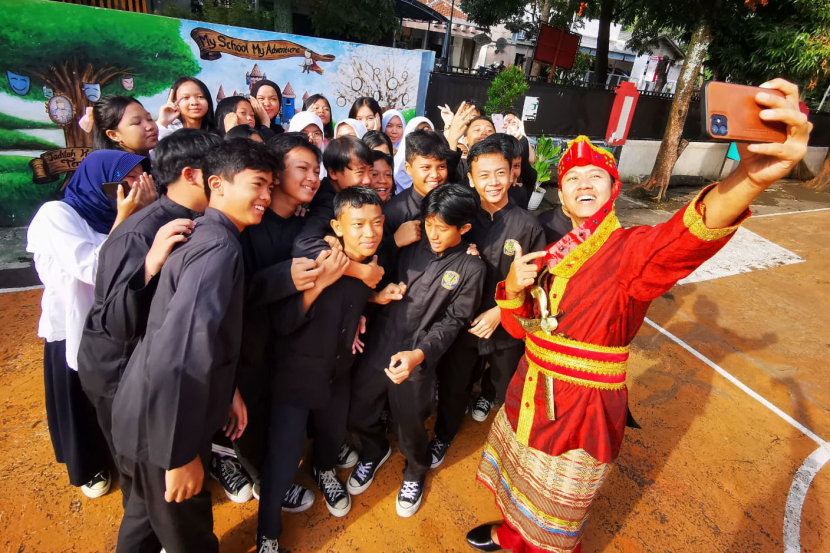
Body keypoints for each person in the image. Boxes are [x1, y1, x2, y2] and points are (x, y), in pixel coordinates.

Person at [468, 79, 811, 553]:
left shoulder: (630, 252)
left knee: (558, 510)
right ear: (561, 199)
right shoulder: (554, 252)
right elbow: (519, 329)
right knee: (523, 484)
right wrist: (513, 289)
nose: (583, 184)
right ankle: (511, 533)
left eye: (595, 177)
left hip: (580, 410)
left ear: (614, 189)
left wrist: (748, 179)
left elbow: (684, 237)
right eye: (572, 179)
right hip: (531, 387)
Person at [110, 139, 276, 552]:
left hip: (146, 413)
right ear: (217, 184)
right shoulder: (218, 248)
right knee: (189, 537)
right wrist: (181, 455)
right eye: (257, 184)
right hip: (163, 431)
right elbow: (180, 354)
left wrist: (227, 390)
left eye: (271, 187)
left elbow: (203, 340)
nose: (266, 196)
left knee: (144, 525)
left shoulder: (208, 234)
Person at [78, 130, 222, 510]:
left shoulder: (195, 219)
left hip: (148, 369)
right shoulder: (140, 234)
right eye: (217, 172)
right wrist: (150, 266)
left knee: (150, 494)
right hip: (121, 374)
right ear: (192, 175)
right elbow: (112, 322)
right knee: (149, 484)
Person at [257, 187, 405, 551]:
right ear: (337, 227)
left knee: (332, 431)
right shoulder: (318, 259)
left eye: (376, 223)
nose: (369, 233)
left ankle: (324, 470)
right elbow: (279, 320)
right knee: (285, 454)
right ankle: (267, 532)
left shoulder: (369, 266)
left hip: (339, 369)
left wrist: (371, 301)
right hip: (296, 376)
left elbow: (353, 300)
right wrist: (318, 286)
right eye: (358, 225)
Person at [347, 184, 486, 518]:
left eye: (442, 228)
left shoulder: (471, 268)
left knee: (409, 421)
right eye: (429, 225)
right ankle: (374, 450)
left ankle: (415, 470)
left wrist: (419, 355)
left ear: (464, 228)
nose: (433, 234)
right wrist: (376, 300)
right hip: (381, 340)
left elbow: (454, 321)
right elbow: (378, 278)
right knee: (359, 406)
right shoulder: (410, 245)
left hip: (418, 355)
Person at [27, 150, 155, 500]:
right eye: (124, 180)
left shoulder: (122, 216)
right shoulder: (56, 215)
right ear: (98, 181)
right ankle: (88, 465)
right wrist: (127, 218)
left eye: (140, 179)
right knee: (77, 398)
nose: (133, 188)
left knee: (115, 397)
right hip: (74, 323)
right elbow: (94, 268)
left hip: (115, 324)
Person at [431, 136, 545, 468]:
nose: (492, 182)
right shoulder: (462, 220)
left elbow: (535, 280)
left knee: (509, 384)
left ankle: (511, 445)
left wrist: (500, 309)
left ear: (513, 173)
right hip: (464, 321)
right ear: (470, 177)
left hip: (506, 324)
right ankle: (444, 434)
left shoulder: (528, 225)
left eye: (500, 173)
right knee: (455, 384)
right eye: (483, 175)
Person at [234, 133, 328, 514]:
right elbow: (234, 291)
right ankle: (263, 479)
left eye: (316, 170)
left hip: (291, 343)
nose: (312, 177)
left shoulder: (303, 222)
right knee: (251, 419)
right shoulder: (247, 225)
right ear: (275, 173)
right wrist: (284, 277)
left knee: (282, 414)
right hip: (250, 346)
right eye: (301, 168)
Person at [291, 136, 384, 291]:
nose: (367, 180)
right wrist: (361, 271)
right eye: (360, 172)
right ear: (333, 173)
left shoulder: (349, 193)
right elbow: (304, 245)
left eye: (370, 172)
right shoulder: (326, 201)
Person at [91, 96, 158, 157]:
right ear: (114, 135)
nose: (150, 127)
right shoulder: (122, 168)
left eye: (150, 119)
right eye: (137, 123)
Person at [392, 116, 436, 192]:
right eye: (419, 132)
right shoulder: (399, 162)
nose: (424, 136)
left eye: (428, 131)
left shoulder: (438, 156)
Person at [499, 134, 537, 210]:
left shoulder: (520, 187)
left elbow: (531, 159)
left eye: (516, 166)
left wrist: (523, 136)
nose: (511, 172)